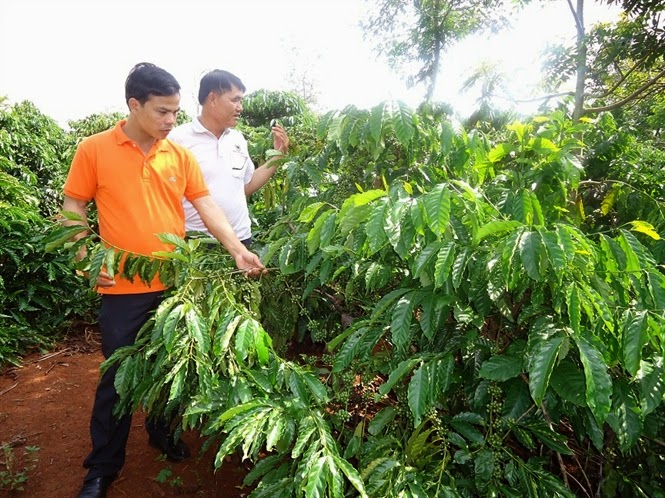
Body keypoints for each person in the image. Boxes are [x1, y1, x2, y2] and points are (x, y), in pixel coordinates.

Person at [61, 62, 265, 498]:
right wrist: (85, 254)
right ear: (134, 105)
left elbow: (206, 206)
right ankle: (102, 468)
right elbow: (74, 205)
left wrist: (237, 249)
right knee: (117, 377)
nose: (172, 120)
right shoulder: (94, 149)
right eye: (162, 112)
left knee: (171, 367)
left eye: (175, 111)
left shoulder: (179, 154)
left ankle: (162, 432)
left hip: (176, 286)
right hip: (123, 290)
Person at [168, 69, 289, 247]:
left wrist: (278, 156)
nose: (240, 107)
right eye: (235, 100)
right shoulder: (177, 140)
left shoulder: (237, 139)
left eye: (241, 100)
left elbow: (244, 186)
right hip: (196, 244)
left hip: (241, 239)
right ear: (213, 99)